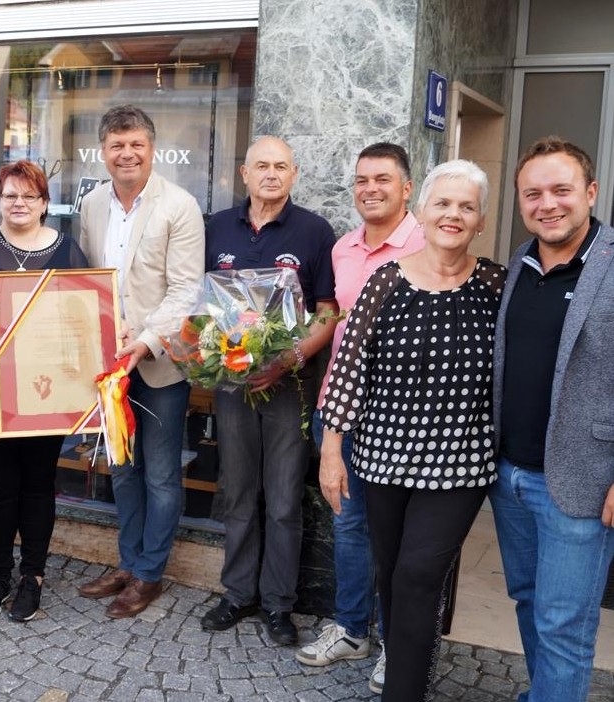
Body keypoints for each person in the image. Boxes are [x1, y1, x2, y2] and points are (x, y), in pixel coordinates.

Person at [321, 159, 505, 701]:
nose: (453, 214)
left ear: (481, 220)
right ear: (421, 211)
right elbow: (349, 367)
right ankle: (407, 660)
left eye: (466, 206)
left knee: (418, 576)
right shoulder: (385, 283)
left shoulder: (497, 285)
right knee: (390, 573)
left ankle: (402, 690)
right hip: (381, 458)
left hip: (460, 465)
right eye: (443, 203)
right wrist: (333, 449)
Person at [296, 143, 424, 692]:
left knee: (400, 535)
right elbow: (330, 321)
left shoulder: (427, 242)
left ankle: (401, 644)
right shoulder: (344, 247)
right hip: (340, 408)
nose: (370, 189)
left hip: (404, 416)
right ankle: (352, 629)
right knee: (347, 523)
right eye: (361, 180)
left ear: (407, 187)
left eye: (383, 179)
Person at [199, 136, 337, 645]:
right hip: (231, 384)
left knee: (282, 500)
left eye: (281, 166)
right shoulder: (216, 227)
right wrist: (206, 351)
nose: (271, 174)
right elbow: (200, 306)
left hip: (290, 385)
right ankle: (237, 593)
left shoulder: (314, 231)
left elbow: (327, 311)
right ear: (244, 173)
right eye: (262, 166)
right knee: (238, 493)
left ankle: (279, 604)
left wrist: (290, 358)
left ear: (294, 174)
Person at [490, 137, 614, 702]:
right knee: (529, 601)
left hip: (582, 481)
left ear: (590, 192)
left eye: (562, 190)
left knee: (564, 627)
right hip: (509, 476)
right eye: (533, 194)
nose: (549, 204)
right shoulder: (519, 261)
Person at [77, 104, 204, 618]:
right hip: (109, 367)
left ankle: (150, 573)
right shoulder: (91, 205)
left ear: (151, 149)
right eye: (116, 145)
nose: (126, 154)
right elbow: (87, 281)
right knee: (123, 470)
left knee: (160, 476)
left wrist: (145, 342)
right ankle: (128, 563)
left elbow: (185, 291)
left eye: (136, 145)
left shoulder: (180, 205)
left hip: (158, 365)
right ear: (104, 152)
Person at [0, 160, 89, 622]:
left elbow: (83, 323)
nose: (19, 204)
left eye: (29, 196)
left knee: (38, 485)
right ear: (0, 199)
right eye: (10, 195)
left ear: (43, 203)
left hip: (46, 392)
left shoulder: (67, 250)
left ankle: (32, 576)